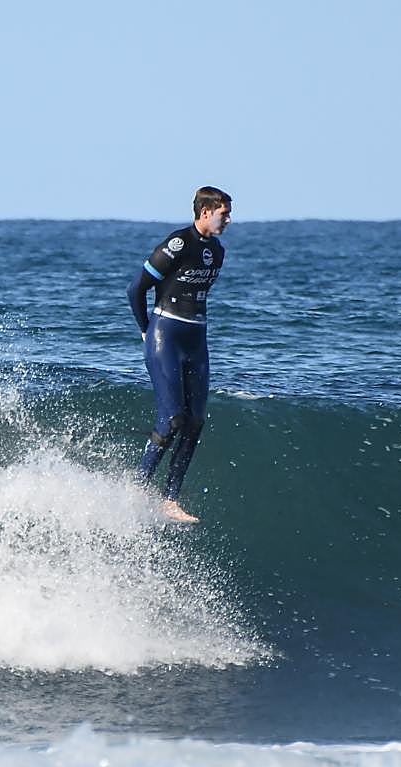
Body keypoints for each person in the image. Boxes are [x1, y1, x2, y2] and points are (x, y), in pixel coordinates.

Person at [127, 186, 232, 523]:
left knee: (194, 421)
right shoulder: (178, 243)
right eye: (224, 213)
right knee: (173, 419)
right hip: (166, 336)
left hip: (196, 340)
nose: (228, 220)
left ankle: (170, 499)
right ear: (205, 212)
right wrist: (145, 330)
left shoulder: (217, 251)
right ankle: (138, 488)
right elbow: (136, 288)